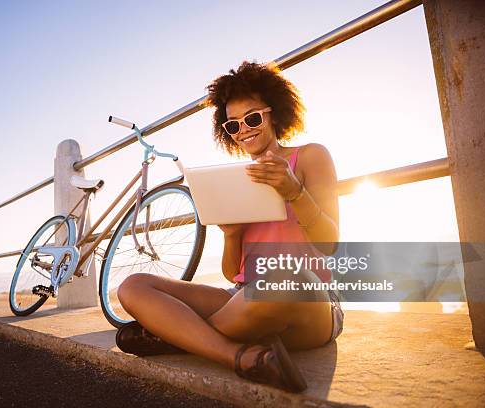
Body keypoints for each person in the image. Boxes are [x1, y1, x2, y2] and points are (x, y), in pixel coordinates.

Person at [115, 61, 343, 393]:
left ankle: (177, 336)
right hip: (244, 299)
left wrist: (293, 190)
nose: (244, 130)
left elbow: (329, 244)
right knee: (134, 286)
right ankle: (240, 357)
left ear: (275, 113)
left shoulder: (310, 157)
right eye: (233, 125)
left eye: (252, 118)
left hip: (310, 298)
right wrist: (232, 235)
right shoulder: (237, 181)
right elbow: (231, 273)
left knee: (283, 275)